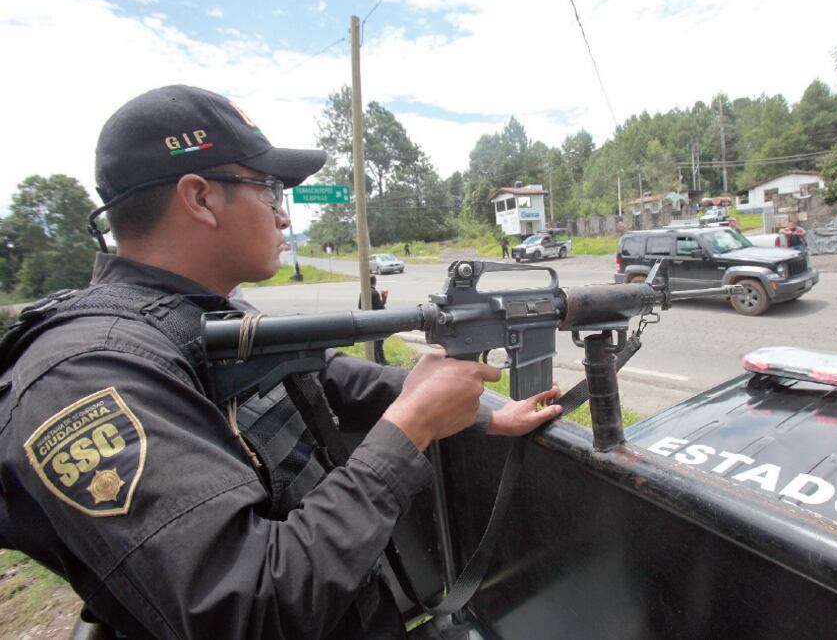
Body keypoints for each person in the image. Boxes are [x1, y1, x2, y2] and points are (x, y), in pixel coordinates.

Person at [0, 85, 562, 639]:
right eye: (269, 190)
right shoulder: (87, 376)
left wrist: (487, 412)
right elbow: (248, 607)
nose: (284, 217)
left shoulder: (199, 314)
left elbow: (325, 376)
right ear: (199, 199)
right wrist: (411, 426)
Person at [360, 274, 390, 364]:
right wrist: (384, 296)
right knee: (379, 341)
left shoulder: (363, 292)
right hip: (376, 320)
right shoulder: (374, 293)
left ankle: (377, 360)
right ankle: (382, 361)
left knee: (373, 342)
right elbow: (381, 307)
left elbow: (359, 306)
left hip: (366, 319)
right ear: (375, 282)